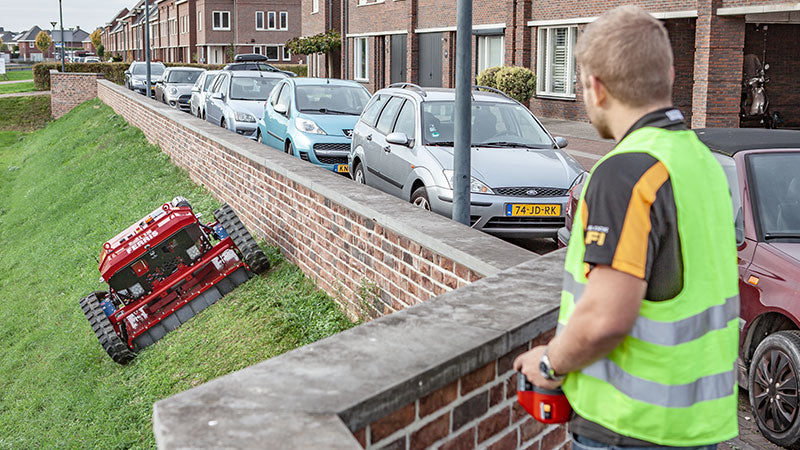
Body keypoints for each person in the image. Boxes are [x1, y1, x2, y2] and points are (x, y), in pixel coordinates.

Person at [513, 5, 739, 449]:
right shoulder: (703, 163)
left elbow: (604, 318)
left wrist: (548, 364)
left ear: (596, 88)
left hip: (628, 426)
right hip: (697, 426)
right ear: (670, 75)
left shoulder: (626, 172)